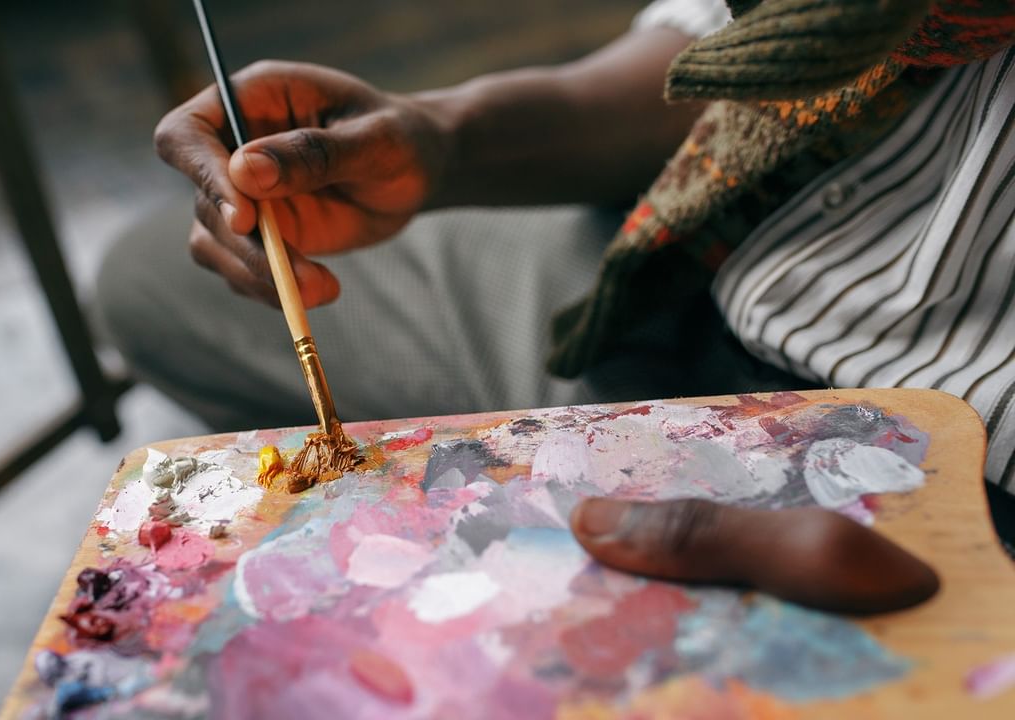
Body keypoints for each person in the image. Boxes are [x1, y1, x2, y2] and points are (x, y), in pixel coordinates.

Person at [96, 0, 1015, 604]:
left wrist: (977, 630)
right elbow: (731, 56)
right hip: (689, 275)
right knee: (156, 279)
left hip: (959, 503)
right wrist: (442, 138)